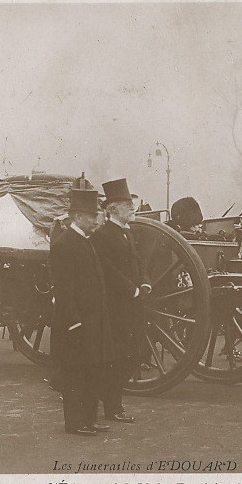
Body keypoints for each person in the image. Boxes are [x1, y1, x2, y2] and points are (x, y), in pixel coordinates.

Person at [49, 188, 113, 436]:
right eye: (91, 215)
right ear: (76, 216)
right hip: (74, 323)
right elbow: (63, 288)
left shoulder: (85, 241)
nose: (96, 220)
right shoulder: (64, 244)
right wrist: (74, 321)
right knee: (75, 374)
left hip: (92, 321)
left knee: (92, 371)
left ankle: (89, 419)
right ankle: (75, 423)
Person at [92, 178, 151, 424]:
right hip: (115, 305)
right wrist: (131, 289)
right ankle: (113, 406)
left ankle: (108, 396)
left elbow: (137, 263)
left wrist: (145, 282)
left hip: (132, 302)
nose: (132, 208)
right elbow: (108, 268)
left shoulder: (126, 232)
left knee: (137, 353)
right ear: (112, 209)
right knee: (119, 355)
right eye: (127, 205)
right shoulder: (102, 235)